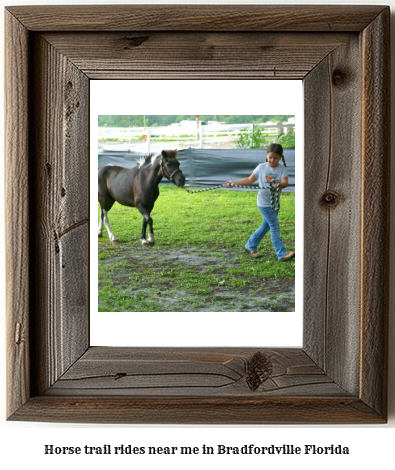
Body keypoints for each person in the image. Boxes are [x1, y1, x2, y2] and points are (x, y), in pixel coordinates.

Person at [225, 143, 295, 261]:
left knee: (265, 226)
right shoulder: (261, 167)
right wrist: (233, 182)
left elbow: (285, 182)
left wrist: (279, 184)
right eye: (270, 157)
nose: (272, 160)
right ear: (266, 155)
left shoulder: (282, 169)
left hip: (275, 203)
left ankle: (250, 245)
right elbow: (249, 180)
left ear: (280, 157)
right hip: (263, 203)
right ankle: (281, 253)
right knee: (274, 226)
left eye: (276, 158)